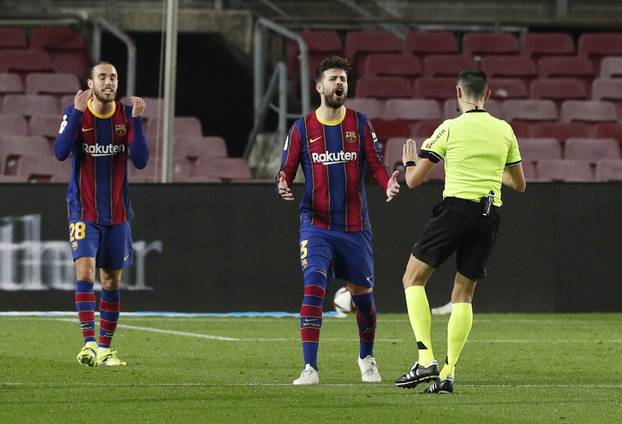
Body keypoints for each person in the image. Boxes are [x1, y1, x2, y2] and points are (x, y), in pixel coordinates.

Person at [394, 69, 526, 394]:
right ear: (489, 95)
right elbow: (519, 183)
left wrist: (409, 162)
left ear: (457, 93)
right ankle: (449, 374)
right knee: (463, 295)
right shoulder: (504, 130)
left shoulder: (449, 128)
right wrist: (491, 170)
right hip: (489, 214)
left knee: (412, 278)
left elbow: (414, 181)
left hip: (456, 210)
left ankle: (426, 358)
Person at [278, 55, 400, 385]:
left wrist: (387, 181)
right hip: (316, 224)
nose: (339, 84)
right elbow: (287, 168)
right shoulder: (302, 127)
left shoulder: (360, 124)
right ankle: (310, 368)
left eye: (343, 79)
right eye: (333, 79)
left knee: (364, 298)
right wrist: (283, 183)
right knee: (314, 287)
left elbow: (375, 164)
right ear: (320, 87)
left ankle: (367, 357)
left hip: (355, 226)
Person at [54, 61, 149, 367]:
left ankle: (106, 350)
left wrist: (137, 122)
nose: (109, 82)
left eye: (113, 77)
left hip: (118, 213)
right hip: (83, 210)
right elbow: (59, 151)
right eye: (102, 77)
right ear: (90, 83)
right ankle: (89, 344)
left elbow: (141, 160)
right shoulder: (76, 114)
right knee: (84, 271)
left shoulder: (125, 116)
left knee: (110, 281)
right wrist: (77, 113)